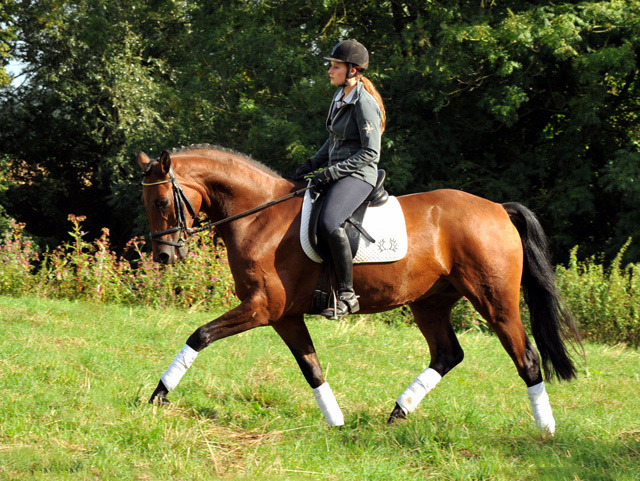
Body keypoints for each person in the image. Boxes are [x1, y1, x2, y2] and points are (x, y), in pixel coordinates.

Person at [293, 39, 386, 318]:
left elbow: (371, 152)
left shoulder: (364, 102)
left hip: (359, 174)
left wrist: (331, 172)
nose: (330, 71)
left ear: (353, 71)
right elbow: (333, 141)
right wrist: (311, 164)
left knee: (329, 222)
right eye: (331, 66)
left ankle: (347, 294)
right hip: (338, 171)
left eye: (335, 66)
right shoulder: (340, 96)